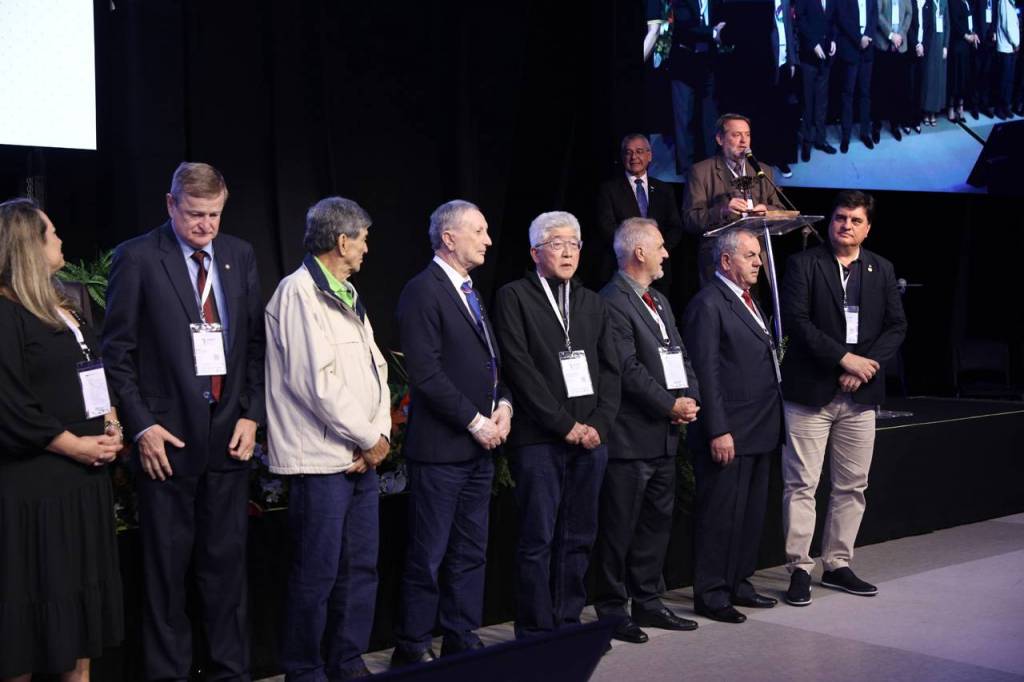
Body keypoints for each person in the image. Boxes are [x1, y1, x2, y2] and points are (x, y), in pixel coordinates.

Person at [103, 162, 266, 681]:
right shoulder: (137, 257)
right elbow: (117, 354)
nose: (206, 226)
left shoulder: (239, 254)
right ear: (171, 204)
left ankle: (229, 674)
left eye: (214, 215)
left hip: (228, 441)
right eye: (196, 214)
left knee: (227, 574)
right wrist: (142, 426)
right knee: (166, 579)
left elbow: (255, 346)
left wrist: (252, 415)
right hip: (166, 445)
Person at [264, 197, 391, 680]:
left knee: (360, 570)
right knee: (316, 574)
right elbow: (315, 382)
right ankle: (305, 670)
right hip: (320, 463)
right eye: (362, 239)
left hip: (359, 458)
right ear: (342, 241)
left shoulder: (347, 292)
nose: (366, 249)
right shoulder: (297, 293)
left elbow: (378, 369)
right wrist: (367, 437)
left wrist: (378, 435)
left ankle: (347, 662)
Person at [0, 198, 124, 682]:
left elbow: (94, 374)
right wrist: (75, 445)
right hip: (36, 494)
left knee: (80, 622)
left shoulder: (66, 303)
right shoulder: (6, 313)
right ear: (29, 245)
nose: (60, 239)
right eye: (51, 233)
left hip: (83, 485)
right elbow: (10, 406)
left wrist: (111, 425)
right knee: (28, 623)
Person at [391, 200, 513, 665]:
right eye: (478, 231)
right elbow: (426, 374)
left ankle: (462, 637)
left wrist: (504, 406)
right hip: (441, 453)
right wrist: (476, 421)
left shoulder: (470, 291)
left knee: (471, 551)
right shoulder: (422, 291)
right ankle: (412, 647)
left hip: (479, 452)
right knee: (429, 556)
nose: (487, 241)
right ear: (448, 238)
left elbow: (491, 363)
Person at [493, 211, 620, 639]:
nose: (568, 252)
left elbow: (611, 369)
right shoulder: (514, 296)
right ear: (535, 253)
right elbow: (519, 368)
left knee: (579, 536)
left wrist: (599, 424)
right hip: (539, 440)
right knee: (538, 537)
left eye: (574, 244)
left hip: (591, 440)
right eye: (557, 244)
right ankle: (535, 629)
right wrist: (564, 424)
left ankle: (568, 623)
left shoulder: (593, 302)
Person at [780, 190, 907, 607]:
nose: (846, 225)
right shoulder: (803, 264)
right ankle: (800, 568)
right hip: (810, 393)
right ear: (830, 222)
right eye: (839, 218)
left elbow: (896, 326)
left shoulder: (881, 268)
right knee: (802, 484)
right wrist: (844, 359)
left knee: (852, 486)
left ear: (867, 228)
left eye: (855, 220)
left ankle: (837, 564)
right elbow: (797, 322)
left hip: (860, 395)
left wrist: (864, 366)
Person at [593, 218, 700, 644]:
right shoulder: (611, 301)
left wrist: (689, 398)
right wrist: (669, 404)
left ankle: (649, 602)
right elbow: (627, 369)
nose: (667, 253)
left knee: (655, 527)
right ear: (639, 252)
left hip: (665, 437)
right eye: (660, 246)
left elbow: (681, 354)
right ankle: (612, 610)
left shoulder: (659, 300)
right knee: (619, 530)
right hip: (630, 438)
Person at [681, 228, 784, 624]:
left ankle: (739, 582)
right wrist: (717, 429)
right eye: (750, 255)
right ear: (726, 261)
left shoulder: (749, 300)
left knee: (750, 515)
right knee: (720, 516)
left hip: (760, 427)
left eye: (759, 255)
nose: (759, 262)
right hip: (730, 431)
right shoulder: (709, 303)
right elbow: (705, 372)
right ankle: (711, 592)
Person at [682, 113, 785, 285]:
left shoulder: (762, 171)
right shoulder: (700, 172)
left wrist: (767, 211)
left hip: (757, 259)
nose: (744, 141)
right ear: (720, 139)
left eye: (747, 135)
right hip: (720, 262)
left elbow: (781, 209)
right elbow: (690, 220)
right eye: (736, 135)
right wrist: (722, 211)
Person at [594, 134, 684, 295]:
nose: (634, 157)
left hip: (658, 272)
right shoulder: (609, 190)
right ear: (622, 157)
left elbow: (675, 227)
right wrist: (634, 252)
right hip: (623, 270)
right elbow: (607, 227)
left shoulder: (664, 190)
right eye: (628, 152)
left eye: (639, 151)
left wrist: (656, 250)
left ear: (649, 155)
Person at [667, 0, 726, 176]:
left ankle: (712, 166)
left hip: (708, 62)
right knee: (685, 119)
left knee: (710, 117)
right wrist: (714, 31)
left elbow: (722, 18)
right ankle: (687, 171)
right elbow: (686, 25)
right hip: (684, 63)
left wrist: (723, 28)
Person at [757, 0, 801, 178]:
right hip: (766, 66)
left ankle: (782, 159)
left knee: (784, 115)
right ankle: (765, 159)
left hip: (784, 66)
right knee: (766, 115)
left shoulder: (785, 2)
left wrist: (792, 61)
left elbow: (790, 31)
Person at [797, 0, 840, 161]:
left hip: (826, 58)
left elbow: (834, 20)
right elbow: (800, 19)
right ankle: (807, 142)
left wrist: (834, 40)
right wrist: (813, 43)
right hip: (809, 57)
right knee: (808, 103)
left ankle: (820, 140)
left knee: (822, 102)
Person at [837, 0, 880, 152]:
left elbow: (874, 15)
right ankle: (846, 136)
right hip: (850, 48)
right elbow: (843, 18)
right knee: (847, 94)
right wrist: (858, 38)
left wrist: (867, 36)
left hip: (867, 50)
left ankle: (864, 133)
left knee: (865, 94)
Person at [871, 0, 914, 141]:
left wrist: (900, 35)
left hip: (900, 46)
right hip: (883, 45)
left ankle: (895, 125)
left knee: (897, 88)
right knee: (879, 89)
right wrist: (891, 35)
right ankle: (876, 126)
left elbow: (909, 13)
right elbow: (878, 14)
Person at [918, 0, 950, 126]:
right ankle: (926, 112)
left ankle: (934, 112)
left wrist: (945, 46)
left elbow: (947, 25)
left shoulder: (944, 2)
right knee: (929, 80)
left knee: (938, 80)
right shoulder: (928, 2)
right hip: (930, 45)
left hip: (940, 44)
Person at [947, 0, 979, 121]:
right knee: (955, 78)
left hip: (968, 46)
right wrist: (966, 36)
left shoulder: (968, 2)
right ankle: (951, 108)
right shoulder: (953, 2)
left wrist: (974, 34)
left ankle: (960, 107)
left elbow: (971, 21)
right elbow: (955, 22)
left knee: (964, 78)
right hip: (957, 44)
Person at [994, 0, 1020, 119]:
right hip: (1005, 47)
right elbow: (1006, 25)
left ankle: (1006, 106)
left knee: (1009, 80)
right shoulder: (1004, 1)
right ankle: (999, 108)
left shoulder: (1012, 3)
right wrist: (1015, 43)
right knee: (1003, 80)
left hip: (1011, 47)